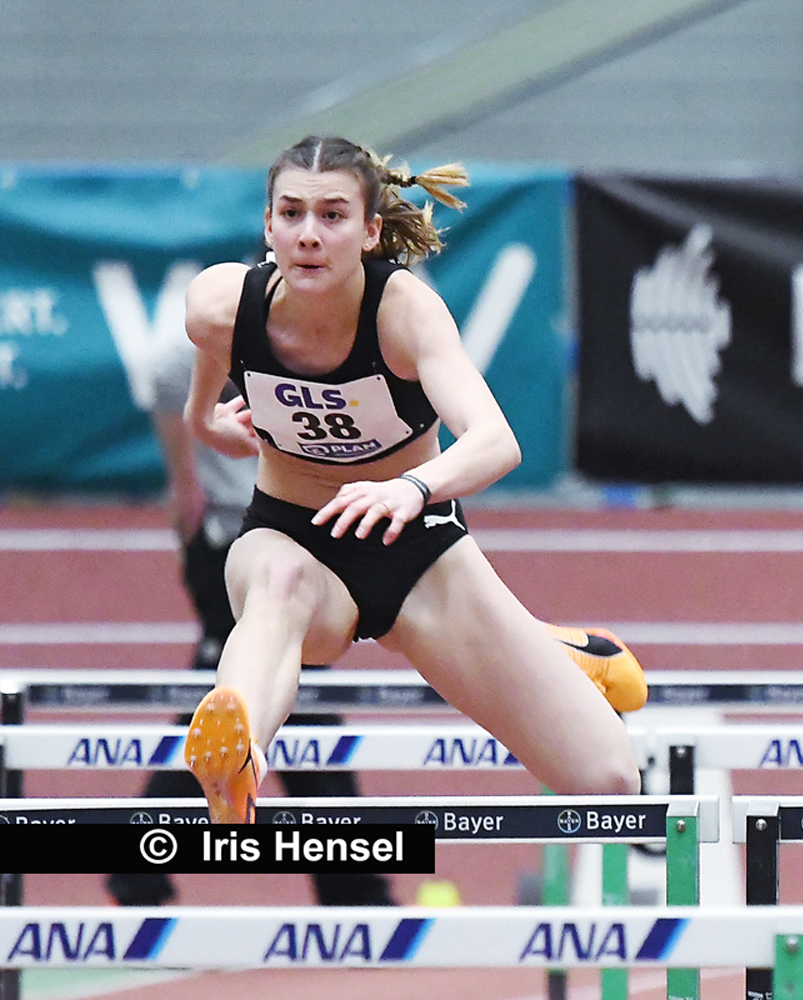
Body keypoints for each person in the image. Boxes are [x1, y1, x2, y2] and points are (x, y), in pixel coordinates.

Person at [179, 135, 646, 823]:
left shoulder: (404, 314)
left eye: (332, 216)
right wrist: (207, 422)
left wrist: (413, 487)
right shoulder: (220, 303)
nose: (309, 235)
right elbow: (208, 371)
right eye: (292, 214)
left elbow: (496, 441)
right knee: (278, 585)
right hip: (289, 534)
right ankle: (234, 758)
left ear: (370, 231)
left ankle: (554, 648)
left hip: (416, 549)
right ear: (268, 225)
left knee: (609, 783)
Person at [107, 326, 393, 904]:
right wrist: (186, 478)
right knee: (275, 698)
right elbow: (167, 371)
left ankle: (351, 883)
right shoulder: (241, 321)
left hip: (293, 540)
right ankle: (354, 885)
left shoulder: (337, 330)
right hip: (236, 540)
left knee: (276, 702)